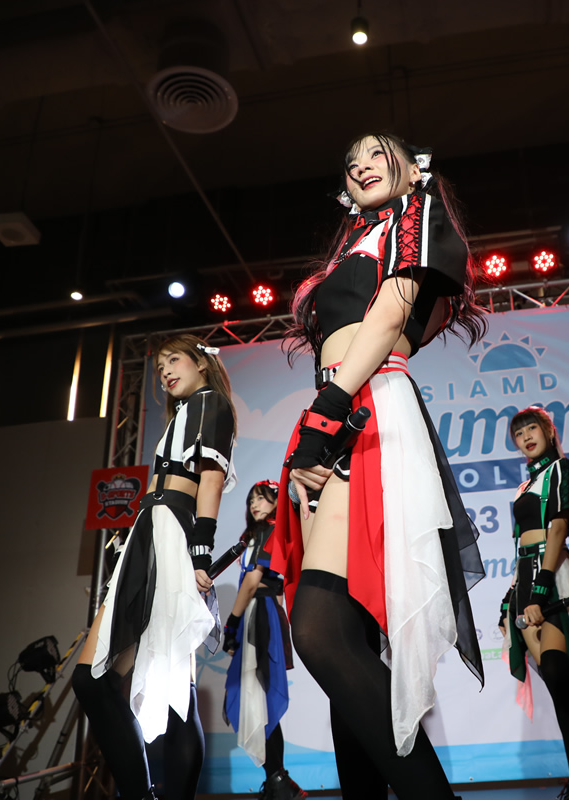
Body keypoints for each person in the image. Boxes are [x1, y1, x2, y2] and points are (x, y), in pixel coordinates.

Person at [268, 132, 488, 800]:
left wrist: (328, 414)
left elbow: (393, 317)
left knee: (320, 632)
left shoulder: (416, 220)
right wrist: (320, 420)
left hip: (363, 408)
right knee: (346, 634)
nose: (360, 165)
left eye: (375, 153)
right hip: (336, 407)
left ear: (412, 168)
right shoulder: (357, 241)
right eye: (351, 161)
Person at [72, 334, 238, 800]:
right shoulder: (182, 414)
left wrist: (201, 551)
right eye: (160, 366)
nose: (164, 372)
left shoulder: (209, 403)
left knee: (160, 687)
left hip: (171, 532)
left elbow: (211, 479)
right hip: (149, 530)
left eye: (174, 360)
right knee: (104, 680)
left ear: (201, 363)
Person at [500, 406, 569, 800]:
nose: (526, 437)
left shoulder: (562, 470)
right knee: (556, 685)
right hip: (524, 582)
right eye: (519, 433)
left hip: (554, 576)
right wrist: (511, 598)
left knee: (560, 674)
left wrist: (541, 589)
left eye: (532, 428)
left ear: (548, 431)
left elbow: (558, 529)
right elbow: (519, 545)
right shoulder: (522, 487)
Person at [222, 480, 305, 800]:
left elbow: (252, 582)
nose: (255, 504)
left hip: (259, 617)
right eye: (251, 500)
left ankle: (279, 783)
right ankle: (277, 781)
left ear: (275, 502)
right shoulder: (257, 536)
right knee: (256, 699)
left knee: (260, 699)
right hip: (260, 617)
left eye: (262, 498)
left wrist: (232, 623)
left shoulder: (269, 532)